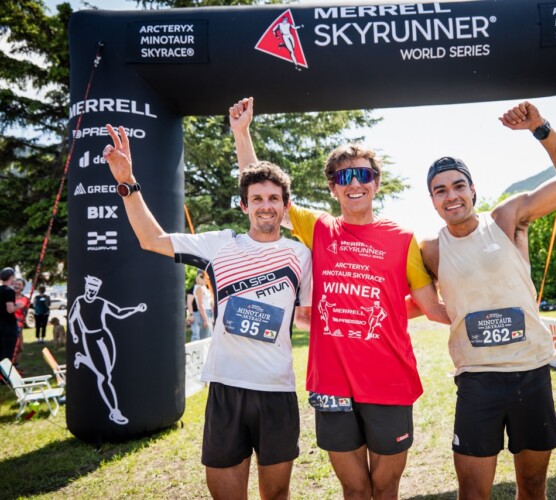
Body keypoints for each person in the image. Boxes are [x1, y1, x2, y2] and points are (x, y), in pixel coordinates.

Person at [230, 97, 450, 499]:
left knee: (385, 487)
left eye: (363, 174)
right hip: (331, 384)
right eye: (343, 177)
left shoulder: (402, 239)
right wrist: (242, 134)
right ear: (333, 188)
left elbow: (430, 307)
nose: (354, 183)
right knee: (354, 489)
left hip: (389, 382)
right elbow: (261, 187)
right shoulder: (318, 227)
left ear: (376, 183)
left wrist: (489, 306)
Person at [103, 123, 312, 499]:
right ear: (245, 205)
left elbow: (307, 316)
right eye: (257, 198)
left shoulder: (301, 255)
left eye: (273, 198)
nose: (266, 205)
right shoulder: (220, 245)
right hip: (225, 388)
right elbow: (151, 239)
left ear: (285, 205)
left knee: (277, 495)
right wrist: (128, 183)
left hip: (276, 391)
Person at [420, 101, 556, 499]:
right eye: (440, 190)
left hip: (530, 373)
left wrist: (540, 127)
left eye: (458, 186)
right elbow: (423, 302)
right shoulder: (430, 248)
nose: (451, 196)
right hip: (477, 380)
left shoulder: (506, 218)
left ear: (473, 189)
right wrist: (460, 316)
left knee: (532, 487)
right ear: (432, 200)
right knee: (472, 493)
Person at [68, 274, 147, 425]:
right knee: (104, 376)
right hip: (90, 339)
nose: (91, 292)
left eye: (94, 290)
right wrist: (75, 335)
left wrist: (136, 309)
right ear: (86, 287)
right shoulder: (79, 302)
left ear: (97, 290)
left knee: (107, 371)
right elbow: (71, 320)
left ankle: (82, 358)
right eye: (90, 289)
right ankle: (114, 411)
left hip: (105, 336)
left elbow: (119, 313)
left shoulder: (101, 302)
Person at [0, 268, 18, 363]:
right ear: (11, 277)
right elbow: (10, 309)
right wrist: (19, 306)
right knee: (7, 354)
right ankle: (5, 372)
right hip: (8, 326)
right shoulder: (9, 291)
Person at [12, 278, 29, 369]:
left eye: (19, 285)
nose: (17, 286)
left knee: (20, 348)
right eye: (15, 284)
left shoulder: (25, 299)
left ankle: (15, 365)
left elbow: (25, 312)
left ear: (23, 287)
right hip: (9, 324)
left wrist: (23, 320)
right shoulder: (8, 297)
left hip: (19, 325)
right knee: (11, 347)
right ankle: (9, 366)